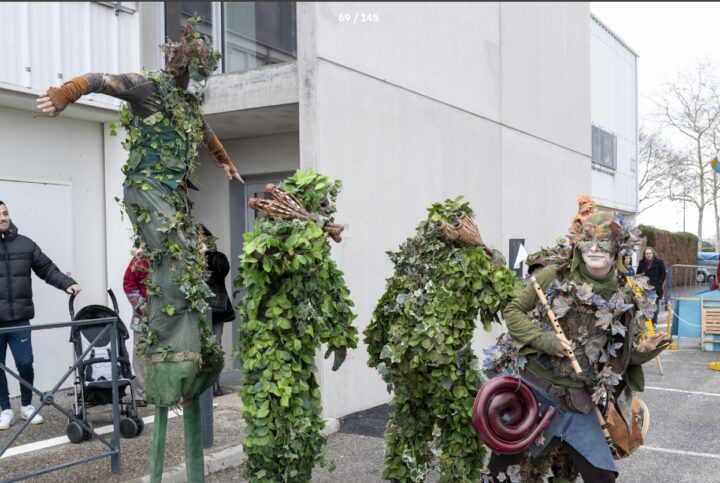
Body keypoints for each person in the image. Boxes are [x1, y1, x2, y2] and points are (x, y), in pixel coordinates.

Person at [36, 18, 243, 480]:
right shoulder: (147, 88)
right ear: (171, 60)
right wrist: (66, 93)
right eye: (180, 61)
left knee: (190, 262)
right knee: (172, 261)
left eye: (192, 67)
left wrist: (226, 163)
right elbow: (101, 81)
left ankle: (190, 347)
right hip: (147, 190)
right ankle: (169, 350)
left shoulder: (187, 105)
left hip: (172, 194)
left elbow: (207, 135)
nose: (184, 71)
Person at [484, 211, 668, 482]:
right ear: (577, 244)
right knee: (500, 472)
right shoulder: (550, 276)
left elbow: (618, 358)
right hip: (533, 393)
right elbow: (514, 311)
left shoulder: (625, 294)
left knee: (603, 476)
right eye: (588, 240)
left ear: (618, 247)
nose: (594, 248)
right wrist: (544, 340)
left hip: (576, 403)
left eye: (603, 241)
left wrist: (644, 351)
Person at [0, 200, 81, 430]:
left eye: (5, 213)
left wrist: (68, 283)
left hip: (19, 319)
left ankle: (26, 406)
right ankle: (5, 409)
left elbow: (46, 268)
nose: (3, 218)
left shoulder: (25, 245)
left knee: (25, 363)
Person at [199, 225, 235, 397]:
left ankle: (214, 383)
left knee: (214, 345)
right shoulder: (186, 257)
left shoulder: (217, 258)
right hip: (194, 310)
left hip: (215, 309)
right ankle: (199, 385)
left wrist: (205, 255)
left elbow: (222, 271)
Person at [122, 252, 149, 407]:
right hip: (142, 313)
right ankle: (140, 393)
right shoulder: (140, 258)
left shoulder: (173, 255)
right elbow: (129, 283)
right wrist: (140, 304)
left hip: (168, 315)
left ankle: (166, 391)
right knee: (140, 353)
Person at [636, 246, 666, 326]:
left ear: (653, 254)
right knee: (645, 305)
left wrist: (659, 283)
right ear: (644, 254)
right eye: (646, 253)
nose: (648, 255)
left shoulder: (659, 262)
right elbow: (638, 274)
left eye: (650, 253)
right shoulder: (641, 262)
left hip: (654, 288)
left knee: (654, 305)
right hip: (644, 288)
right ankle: (646, 323)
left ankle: (654, 322)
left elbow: (663, 274)